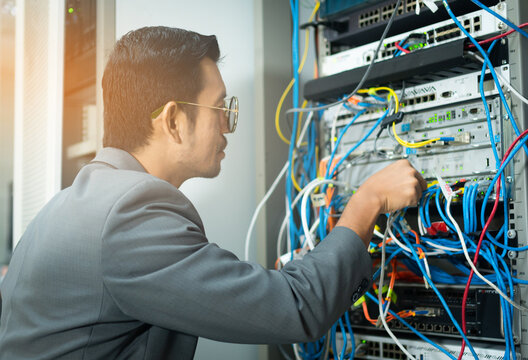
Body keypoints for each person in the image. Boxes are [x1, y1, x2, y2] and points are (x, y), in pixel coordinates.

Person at [0, 26, 426, 359]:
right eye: (221, 108)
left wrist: (278, 282)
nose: (227, 125)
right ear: (172, 120)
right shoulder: (131, 212)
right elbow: (297, 310)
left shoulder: (73, 202)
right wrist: (368, 200)